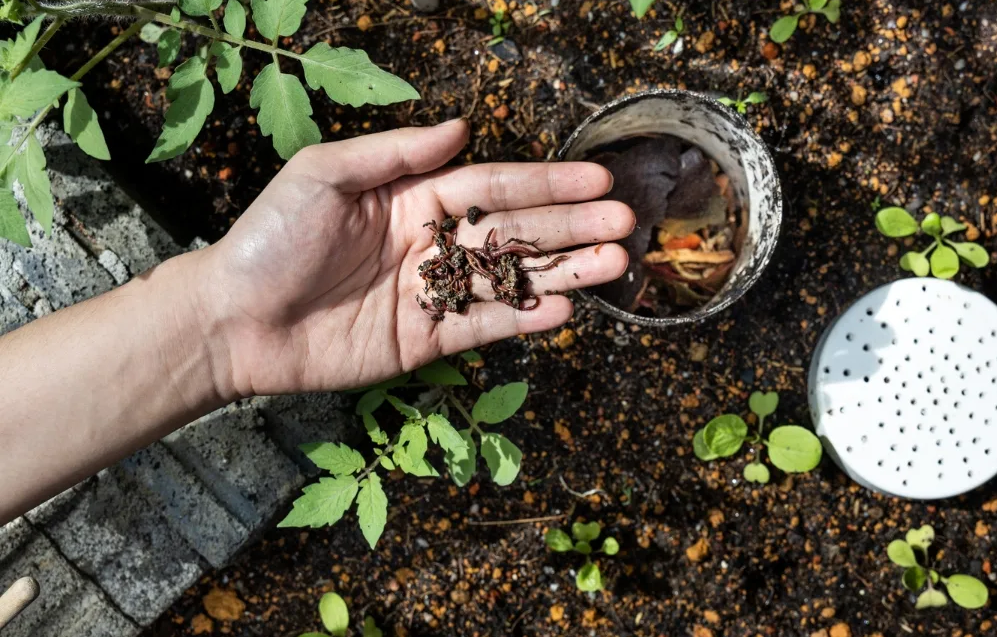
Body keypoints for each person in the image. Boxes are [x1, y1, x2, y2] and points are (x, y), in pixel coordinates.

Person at [0, 120, 634, 523]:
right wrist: (215, 322)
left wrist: (216, 318)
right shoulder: (440, 265)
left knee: (525, 269)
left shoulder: (444, 257)